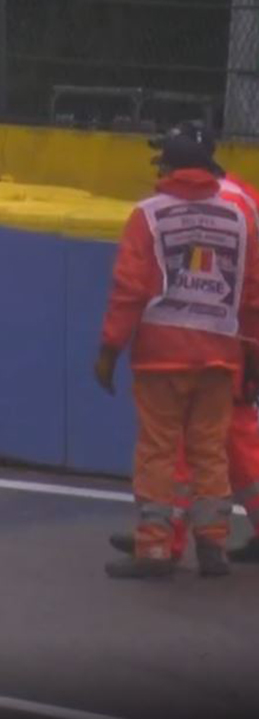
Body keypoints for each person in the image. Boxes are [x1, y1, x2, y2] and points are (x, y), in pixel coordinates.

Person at [96, 126, 259, 578]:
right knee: (211, 452)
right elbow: (250, 293)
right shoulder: (238, 212)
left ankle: (156, 545)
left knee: (161, 451)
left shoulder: (150, 214)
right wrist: (251, 352)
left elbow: (129, 288)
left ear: (171, 166)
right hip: (222, 351)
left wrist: (110, 349)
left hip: (163, 354)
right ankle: (213, 546)